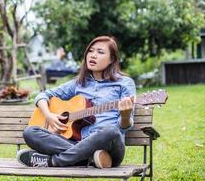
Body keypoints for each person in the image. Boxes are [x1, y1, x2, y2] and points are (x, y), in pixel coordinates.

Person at [17, 36, 136, 168]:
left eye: (100, 52)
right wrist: (49, 116)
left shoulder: (124, 83)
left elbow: (124, 127)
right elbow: (43, 95)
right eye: (91, 51)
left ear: (111, 59)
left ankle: (53, 161)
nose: (93, 55)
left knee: (111, 131)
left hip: (110, 148)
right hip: (76, 145)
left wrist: (125, 116)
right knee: (30, 132)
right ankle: (89, 159)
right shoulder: (79, 83)